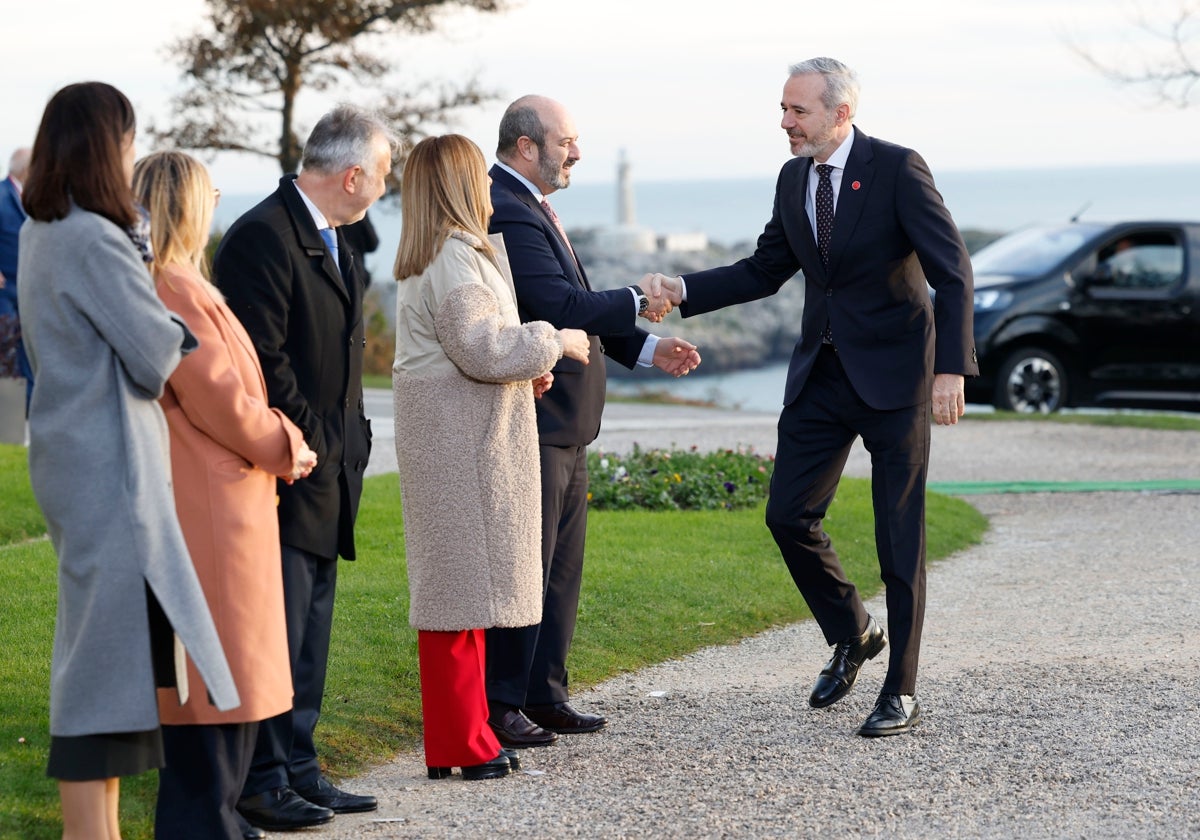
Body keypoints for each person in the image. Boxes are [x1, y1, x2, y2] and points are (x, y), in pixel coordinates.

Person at [650, 58, 977, 738]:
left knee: (899, 538)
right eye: (783, 108)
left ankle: (902, 689)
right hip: (821, 378)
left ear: (840, 114)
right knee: (787, 515)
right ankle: (853, 630)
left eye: (797, 111)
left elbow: (953, 271)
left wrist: (952, 369)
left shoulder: (897, 168)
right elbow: (767, 268)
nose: (785, 122)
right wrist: (685, 290)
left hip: (894, 380)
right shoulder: (793, 176)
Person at [17, 81, 238, 840]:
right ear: (105, 147)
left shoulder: (42, 230)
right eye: (127, 140)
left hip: (75, 461)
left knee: (107, 666)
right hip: (110, 470)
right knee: (100, 677)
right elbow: (155, 352)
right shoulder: (93, 238)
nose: (133, 153)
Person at [485, 95, 701, 749]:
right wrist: (639, 297)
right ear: (528, 146)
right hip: (539, 418)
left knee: (561, 570)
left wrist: (644, 346)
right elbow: (555, 303)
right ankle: (505, 702)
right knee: (530, 567)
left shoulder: (533, 206)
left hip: (568, 424)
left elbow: (572, 314)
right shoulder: (509, 207)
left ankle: (545, 694)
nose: (576, 153)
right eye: (566, 142)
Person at [214, 104, 398, 832]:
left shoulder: (336, 234)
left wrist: (350, 439)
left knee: (311, 633)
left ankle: (300, 768)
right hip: (290, 467)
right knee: (278, 635)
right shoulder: (263, 235)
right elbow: (263, 362)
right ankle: (263, 781)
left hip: (329, 465)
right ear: (353, 174)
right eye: (382, 174)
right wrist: (315, 439)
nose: (384, 187)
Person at [392, 133, 592, 781]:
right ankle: (461, 742)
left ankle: (468, 734)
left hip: (460, 437)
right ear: (459, 185)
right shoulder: (453, 257)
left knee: (464, 600)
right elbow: (483, 348)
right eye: (479, 177)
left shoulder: (448, 253)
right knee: (457, 601)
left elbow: (480, 351)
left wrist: (521, 365)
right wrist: (551, 341)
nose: (488, 189)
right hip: (462, 446)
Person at [133, 150, 319, 840]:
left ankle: (223, 823)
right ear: (188, 203)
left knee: (229, 686)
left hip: (226, 497)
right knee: (213, 686)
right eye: (209, 191)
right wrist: (285, 442)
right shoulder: (172, 288)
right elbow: (217, 396)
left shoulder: (181, 283)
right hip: (210, 505)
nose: (217, 201)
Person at [0, 146, 32, 441]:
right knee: (7, 361)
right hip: (4, 296)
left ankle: (33, 427)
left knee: (31, 357)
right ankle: (9, 433)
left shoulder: (34, 199)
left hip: (29, 294)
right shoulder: (1, 195)